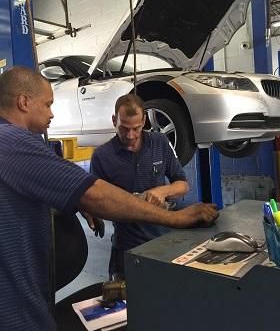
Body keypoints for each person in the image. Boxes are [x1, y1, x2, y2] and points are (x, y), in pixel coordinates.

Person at [0, 67, 219, 331]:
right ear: (24, 102)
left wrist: (77, 203)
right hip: (15, 310)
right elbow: (94, 194)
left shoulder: (159, 143)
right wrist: (175, 217)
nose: (51, 113)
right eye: (47, 104)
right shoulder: (10, 142)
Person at [90, 94, 215, 280]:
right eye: (124, 129)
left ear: (144, 120)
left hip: (164, 242)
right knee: (126, 304)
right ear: (114, 120)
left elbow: (182, 185)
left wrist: (162, 191)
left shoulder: (160, 142)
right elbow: (94, 201)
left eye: (136, 128)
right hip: (126, 247)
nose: (130, 136)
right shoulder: (102, 156)